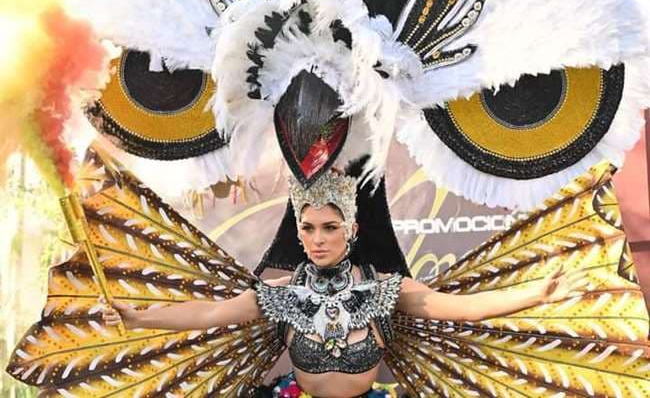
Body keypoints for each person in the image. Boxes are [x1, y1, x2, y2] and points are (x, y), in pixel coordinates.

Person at [101, 169, 587, 398]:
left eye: (329, 228)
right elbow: (208, 314)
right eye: (308, 229)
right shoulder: (283, 293)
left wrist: (536, 294)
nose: (317, 240)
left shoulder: (385, 289)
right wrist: (136, 315)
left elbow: (458, 308)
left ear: (352, 231)